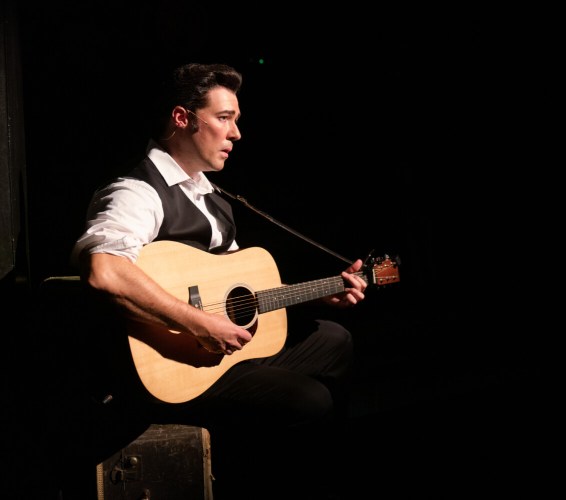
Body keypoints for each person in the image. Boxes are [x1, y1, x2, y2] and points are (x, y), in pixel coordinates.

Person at [67, 62, 367, 499]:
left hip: (214, 357)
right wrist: (199, 323)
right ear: (182, 118)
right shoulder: (137, 191)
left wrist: (321, 294)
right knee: (310, 401)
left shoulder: (212, 198)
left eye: (237, 121)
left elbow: (237, 293)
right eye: (224, 119)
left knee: (334, 338)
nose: (236, 134)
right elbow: (104, 271)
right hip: (164, 370)